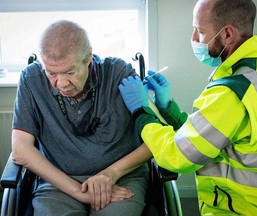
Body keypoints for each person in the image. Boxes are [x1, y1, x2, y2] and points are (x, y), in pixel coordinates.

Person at [118, 0, 257, 215]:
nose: (194, 39)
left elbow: (177, 155)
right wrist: (167, 108)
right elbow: (210, 134)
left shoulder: (231, 92)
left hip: (241, 208)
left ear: (227, 35)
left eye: (200, 31)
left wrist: (141, 111)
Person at [11, 20, 152, 216]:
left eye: (70, 72)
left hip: (122, 177)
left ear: (88, 58)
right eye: (51, 73)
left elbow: (156, 140)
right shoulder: (31, 79)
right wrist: (78, 191)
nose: (61, 84)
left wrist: (109, 174)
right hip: (58, 182)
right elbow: (21, 150)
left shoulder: (119, 73)